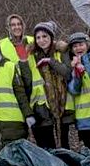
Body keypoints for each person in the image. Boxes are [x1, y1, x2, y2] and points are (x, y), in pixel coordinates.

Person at [21, 21, 71, 149]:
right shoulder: (32, 56)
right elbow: (28, 81)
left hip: (62, 102)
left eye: (45, 36)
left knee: (63, 143)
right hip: (41, 105)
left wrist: (50, 61)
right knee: (46, 144)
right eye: (38, 37)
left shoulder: (61, 51)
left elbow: (67, 73)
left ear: (51, 37)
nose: (41, 40)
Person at [66, 32, 90, 148]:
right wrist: (78, 75)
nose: (78, 48)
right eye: (75, 46)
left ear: (87, 45)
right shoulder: (72, 65)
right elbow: (73, 90)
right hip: (85, 119)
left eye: (81, 44)